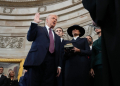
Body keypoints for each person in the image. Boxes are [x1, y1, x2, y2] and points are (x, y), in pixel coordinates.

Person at [82, 1, 120, 86]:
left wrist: (97, 17)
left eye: (97, 27)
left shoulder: (105, 38)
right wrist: (91, 67)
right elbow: (93, 55)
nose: (96, 29)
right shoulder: (96, 42)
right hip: (99, 63)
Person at [23, 13, 62, 86]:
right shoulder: (38, 29)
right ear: (46, 20)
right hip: (36, 61)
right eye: (53, 18)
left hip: (51, 63)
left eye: (56, 19)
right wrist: (34, 23)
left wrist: (59, 66)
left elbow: (59, 52)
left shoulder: (57, 37)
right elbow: (29, 38)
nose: (55, 20)